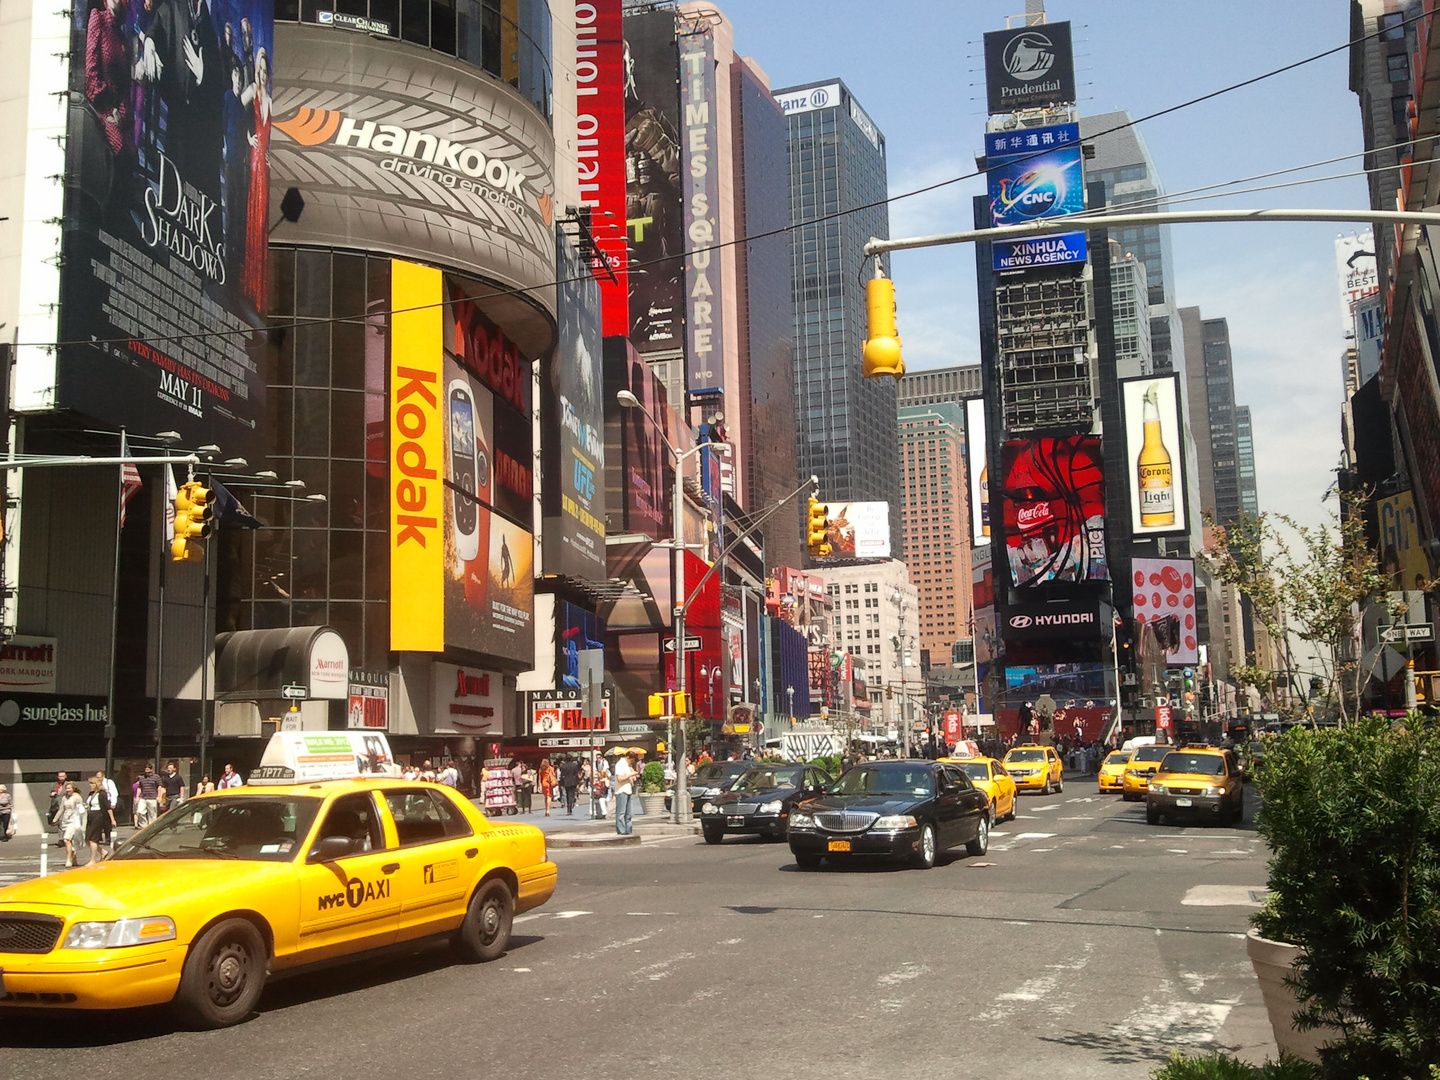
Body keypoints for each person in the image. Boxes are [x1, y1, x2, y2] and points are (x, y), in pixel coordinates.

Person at [53, 782, 86, 868]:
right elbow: (61, 809)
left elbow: (81, 809)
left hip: (74, 820)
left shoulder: (77, 797)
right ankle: (74, 859)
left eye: (69, 788)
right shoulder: (64, 797)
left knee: (66, 839)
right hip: (65, 820)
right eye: (66, 788)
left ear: (73, 788)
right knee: (71, 841)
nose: (67, 790)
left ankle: (68, 859)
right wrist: (55, 819)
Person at [85, 775, 116, 863]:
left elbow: (107, 807)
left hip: (98, 816)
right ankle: (103, 851)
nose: (90, 785)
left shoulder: (102, 794)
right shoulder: (91, 794)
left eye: (92, 783)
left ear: (96, 784)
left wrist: (112, 819)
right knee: (87, 839)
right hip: (90, 816)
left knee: (93, 839)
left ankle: (92, 859)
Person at [613, 752, 639, 836]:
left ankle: (628, 829)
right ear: (628, 757)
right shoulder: (620, 764)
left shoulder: (628, 766)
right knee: (621, 812)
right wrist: (631, 774)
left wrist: (632, 777)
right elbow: (620, 778)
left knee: (628, 813)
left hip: (628, 790)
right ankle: (621, 830)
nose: (632, 762)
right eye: (632, 760)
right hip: (621, 791)